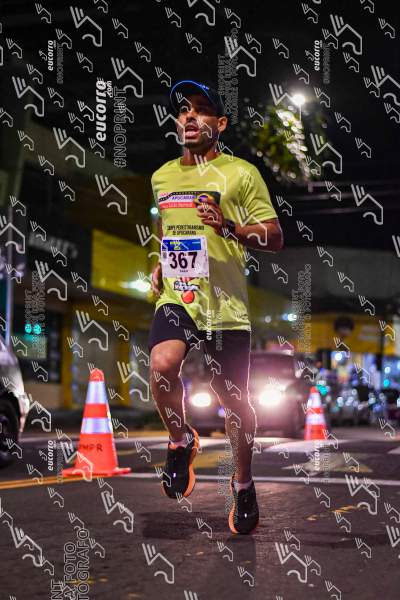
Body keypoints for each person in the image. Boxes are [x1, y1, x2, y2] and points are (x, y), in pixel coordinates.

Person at [148, 80, 284, 534]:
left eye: (201, 109)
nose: (190, 116)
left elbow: (274, 237)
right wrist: (159, 262)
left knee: (233, 399)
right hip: (179, 296)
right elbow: (167, 229)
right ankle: (180, 440)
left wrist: (230, 228)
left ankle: (243, 484)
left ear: (220, 123)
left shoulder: (241, 174)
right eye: (183, 110)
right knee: (161, 364)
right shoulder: (162, 177)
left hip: (225, 306)